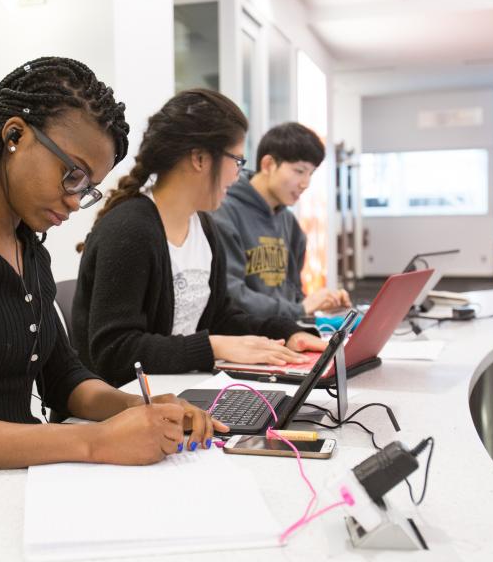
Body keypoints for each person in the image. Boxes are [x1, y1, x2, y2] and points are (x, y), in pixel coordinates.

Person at [0, 58, 224, 562]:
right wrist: (95, 445)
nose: (75, 202)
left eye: (88, 187)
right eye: (72, 175)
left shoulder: (29, 248)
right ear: (14, 135)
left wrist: (140, 409)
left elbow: (63, 377)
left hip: (17, 494)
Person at [71, 89, 327, 388]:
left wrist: (286, 332)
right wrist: (212, 347)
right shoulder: (130, 229)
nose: (238, 175)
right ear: (200, 158)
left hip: (178, 394)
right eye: (237, 161)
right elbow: (114, 352)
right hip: (118, 411)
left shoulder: (204, 226)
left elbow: (220, 316)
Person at [212, 122, 351, 320]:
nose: (305, 183)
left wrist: (320, 306)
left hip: (284, 333)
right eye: (299, 171)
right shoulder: (223, 212)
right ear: (268, 165)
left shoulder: (289, 222)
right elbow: (231, 295)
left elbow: (292, 295)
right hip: (245, 339)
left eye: (310, 174)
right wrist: (300, 309)